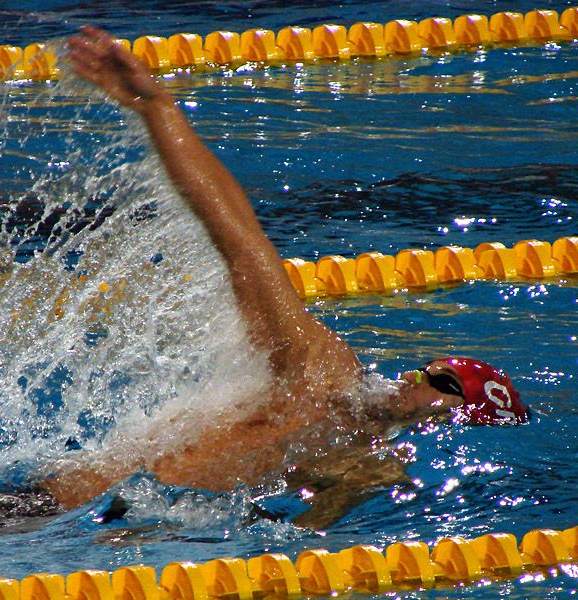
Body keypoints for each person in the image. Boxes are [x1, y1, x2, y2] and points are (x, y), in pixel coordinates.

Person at [44, 27, 529, 526]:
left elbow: (295, 547)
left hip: (86, 533)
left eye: (441, 382)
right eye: (428, 368)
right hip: (33, 506)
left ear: (457, 418)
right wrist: (157, 109)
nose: (413, 375)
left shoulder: (365, 467)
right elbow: (243, 246)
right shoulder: (321, 371)